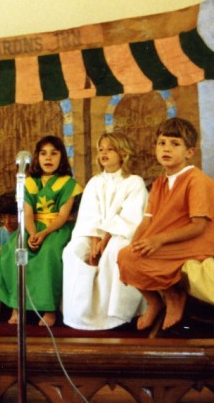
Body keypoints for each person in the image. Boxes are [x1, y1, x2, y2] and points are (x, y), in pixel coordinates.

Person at [117, 117, 214, 331]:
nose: (166, 148)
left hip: (194, 243)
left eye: (175, 144)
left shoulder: (198, 180)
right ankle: (154, 302)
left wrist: (158, 240)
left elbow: (198, 227)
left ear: (189, 152)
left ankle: (174, 297)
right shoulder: (160, 182)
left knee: (133, 257)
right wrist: (136, 245)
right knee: (126, 256)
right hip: (167, 242)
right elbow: (148, 220)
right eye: (162, 143)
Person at [0, 135, 83, 327]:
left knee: (49, 253)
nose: (48, 158)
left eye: (54, 153)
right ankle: (17, 306)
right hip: (31, 226)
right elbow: (27, 213)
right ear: (36, 157)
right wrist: (33, 233)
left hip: (55, 229)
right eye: (43, 153)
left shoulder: (69, 184)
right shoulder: (29, 182)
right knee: (13, 251)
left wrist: (43, 234)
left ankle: (49, 309)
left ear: (61, 157)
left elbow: (62, 216)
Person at [62, 131, 148, 330]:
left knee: (114, 252)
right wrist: (94, 242)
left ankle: (115, 314)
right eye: (101, 150)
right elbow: (89, 215)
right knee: (72, 251)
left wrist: (105, 240)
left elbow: (130, 217)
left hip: (119, 235)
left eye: (110, 149)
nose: (104, 153)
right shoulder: (95, 182)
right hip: (94, 235)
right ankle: (78, 313)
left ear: (123, 153)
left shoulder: (133, 182)